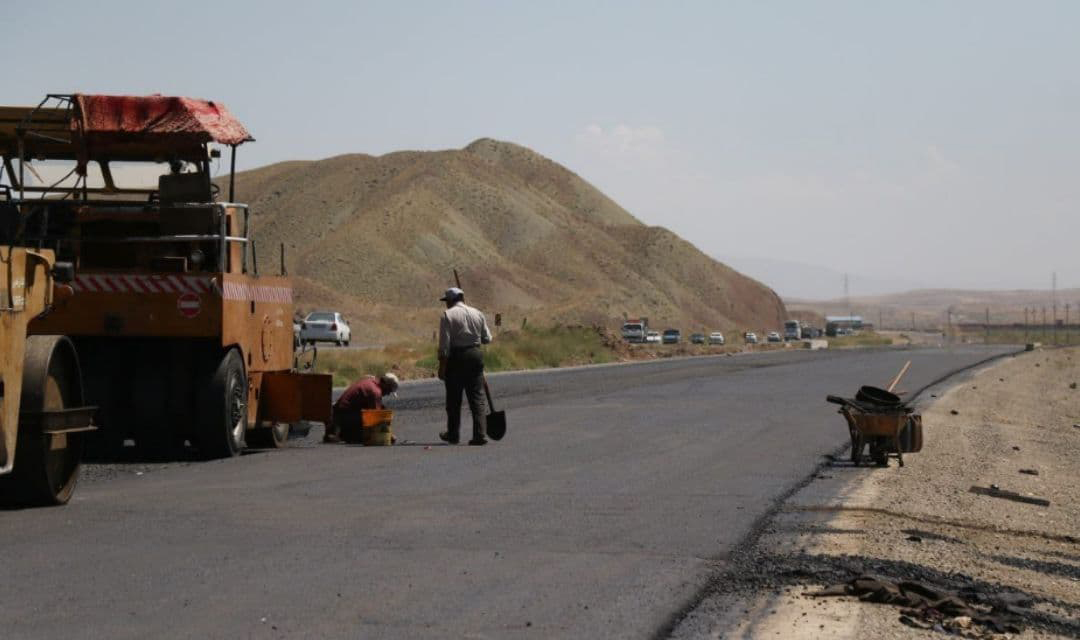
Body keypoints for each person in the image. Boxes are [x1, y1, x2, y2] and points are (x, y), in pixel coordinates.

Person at [436, 287, 492, 445]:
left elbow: (445, 347)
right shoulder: (478, 313)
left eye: (446, 301)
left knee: (454, 398)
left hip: (457, 357)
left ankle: (453, 434)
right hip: (475, 355)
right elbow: (487, 338)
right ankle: (480, 434)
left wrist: (442, 367)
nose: (446, 304)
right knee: (477, 396)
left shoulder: (448, 315)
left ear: (451, 301)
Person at [323, 372, 400, 443]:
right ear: (386, 385)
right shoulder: (375, 392)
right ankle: (344, 434)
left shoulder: (370, 381)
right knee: (367, 437)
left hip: (338, 412)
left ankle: (340, 432)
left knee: (381, 408)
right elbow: (377, 418)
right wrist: (388, 435)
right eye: (389, 391)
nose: (388, 394)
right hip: (345, 415)